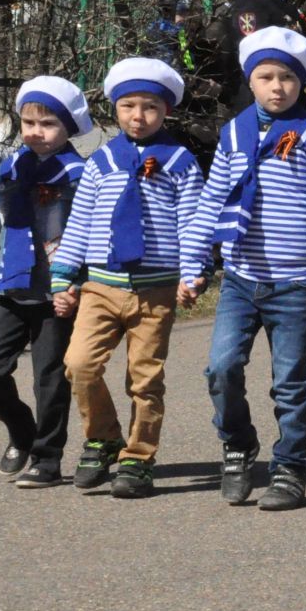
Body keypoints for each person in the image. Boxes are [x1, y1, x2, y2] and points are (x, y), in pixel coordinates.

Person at [180, 28, 306, 512]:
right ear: (250, 81)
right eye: (266, 77)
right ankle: (238, 444)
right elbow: (213, 199)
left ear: (302, 82)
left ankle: (290, 466)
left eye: (288, 79)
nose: (277, 87)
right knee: (221, 368)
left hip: (294, 282)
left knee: (290, 380)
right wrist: (193, 266)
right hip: (240, 278)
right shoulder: (233, 132)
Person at [50, 58, 204, 499]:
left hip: (155, 290)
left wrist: (191, 274)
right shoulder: (101, 162)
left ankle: (138, 457)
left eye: (150, 107)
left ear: (166, 111)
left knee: (144, 378)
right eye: (129, 106)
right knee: (79, 365)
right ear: (114, 110)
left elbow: (191, 222)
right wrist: (63, 277)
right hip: (101, 286)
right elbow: (80, 223)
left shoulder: (179, 161)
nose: (139, 116)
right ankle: (103, 437)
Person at [0, 76, 92, 487]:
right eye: (28, 122)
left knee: (50, 377)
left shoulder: (79, 175)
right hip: (8, 285)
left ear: (68, 128)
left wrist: (77, 285)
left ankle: (47, 458)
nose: (35, 132)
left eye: (47, 124)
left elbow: (91, 236)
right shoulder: (7, 168)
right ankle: (21, 431)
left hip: (56, 291)